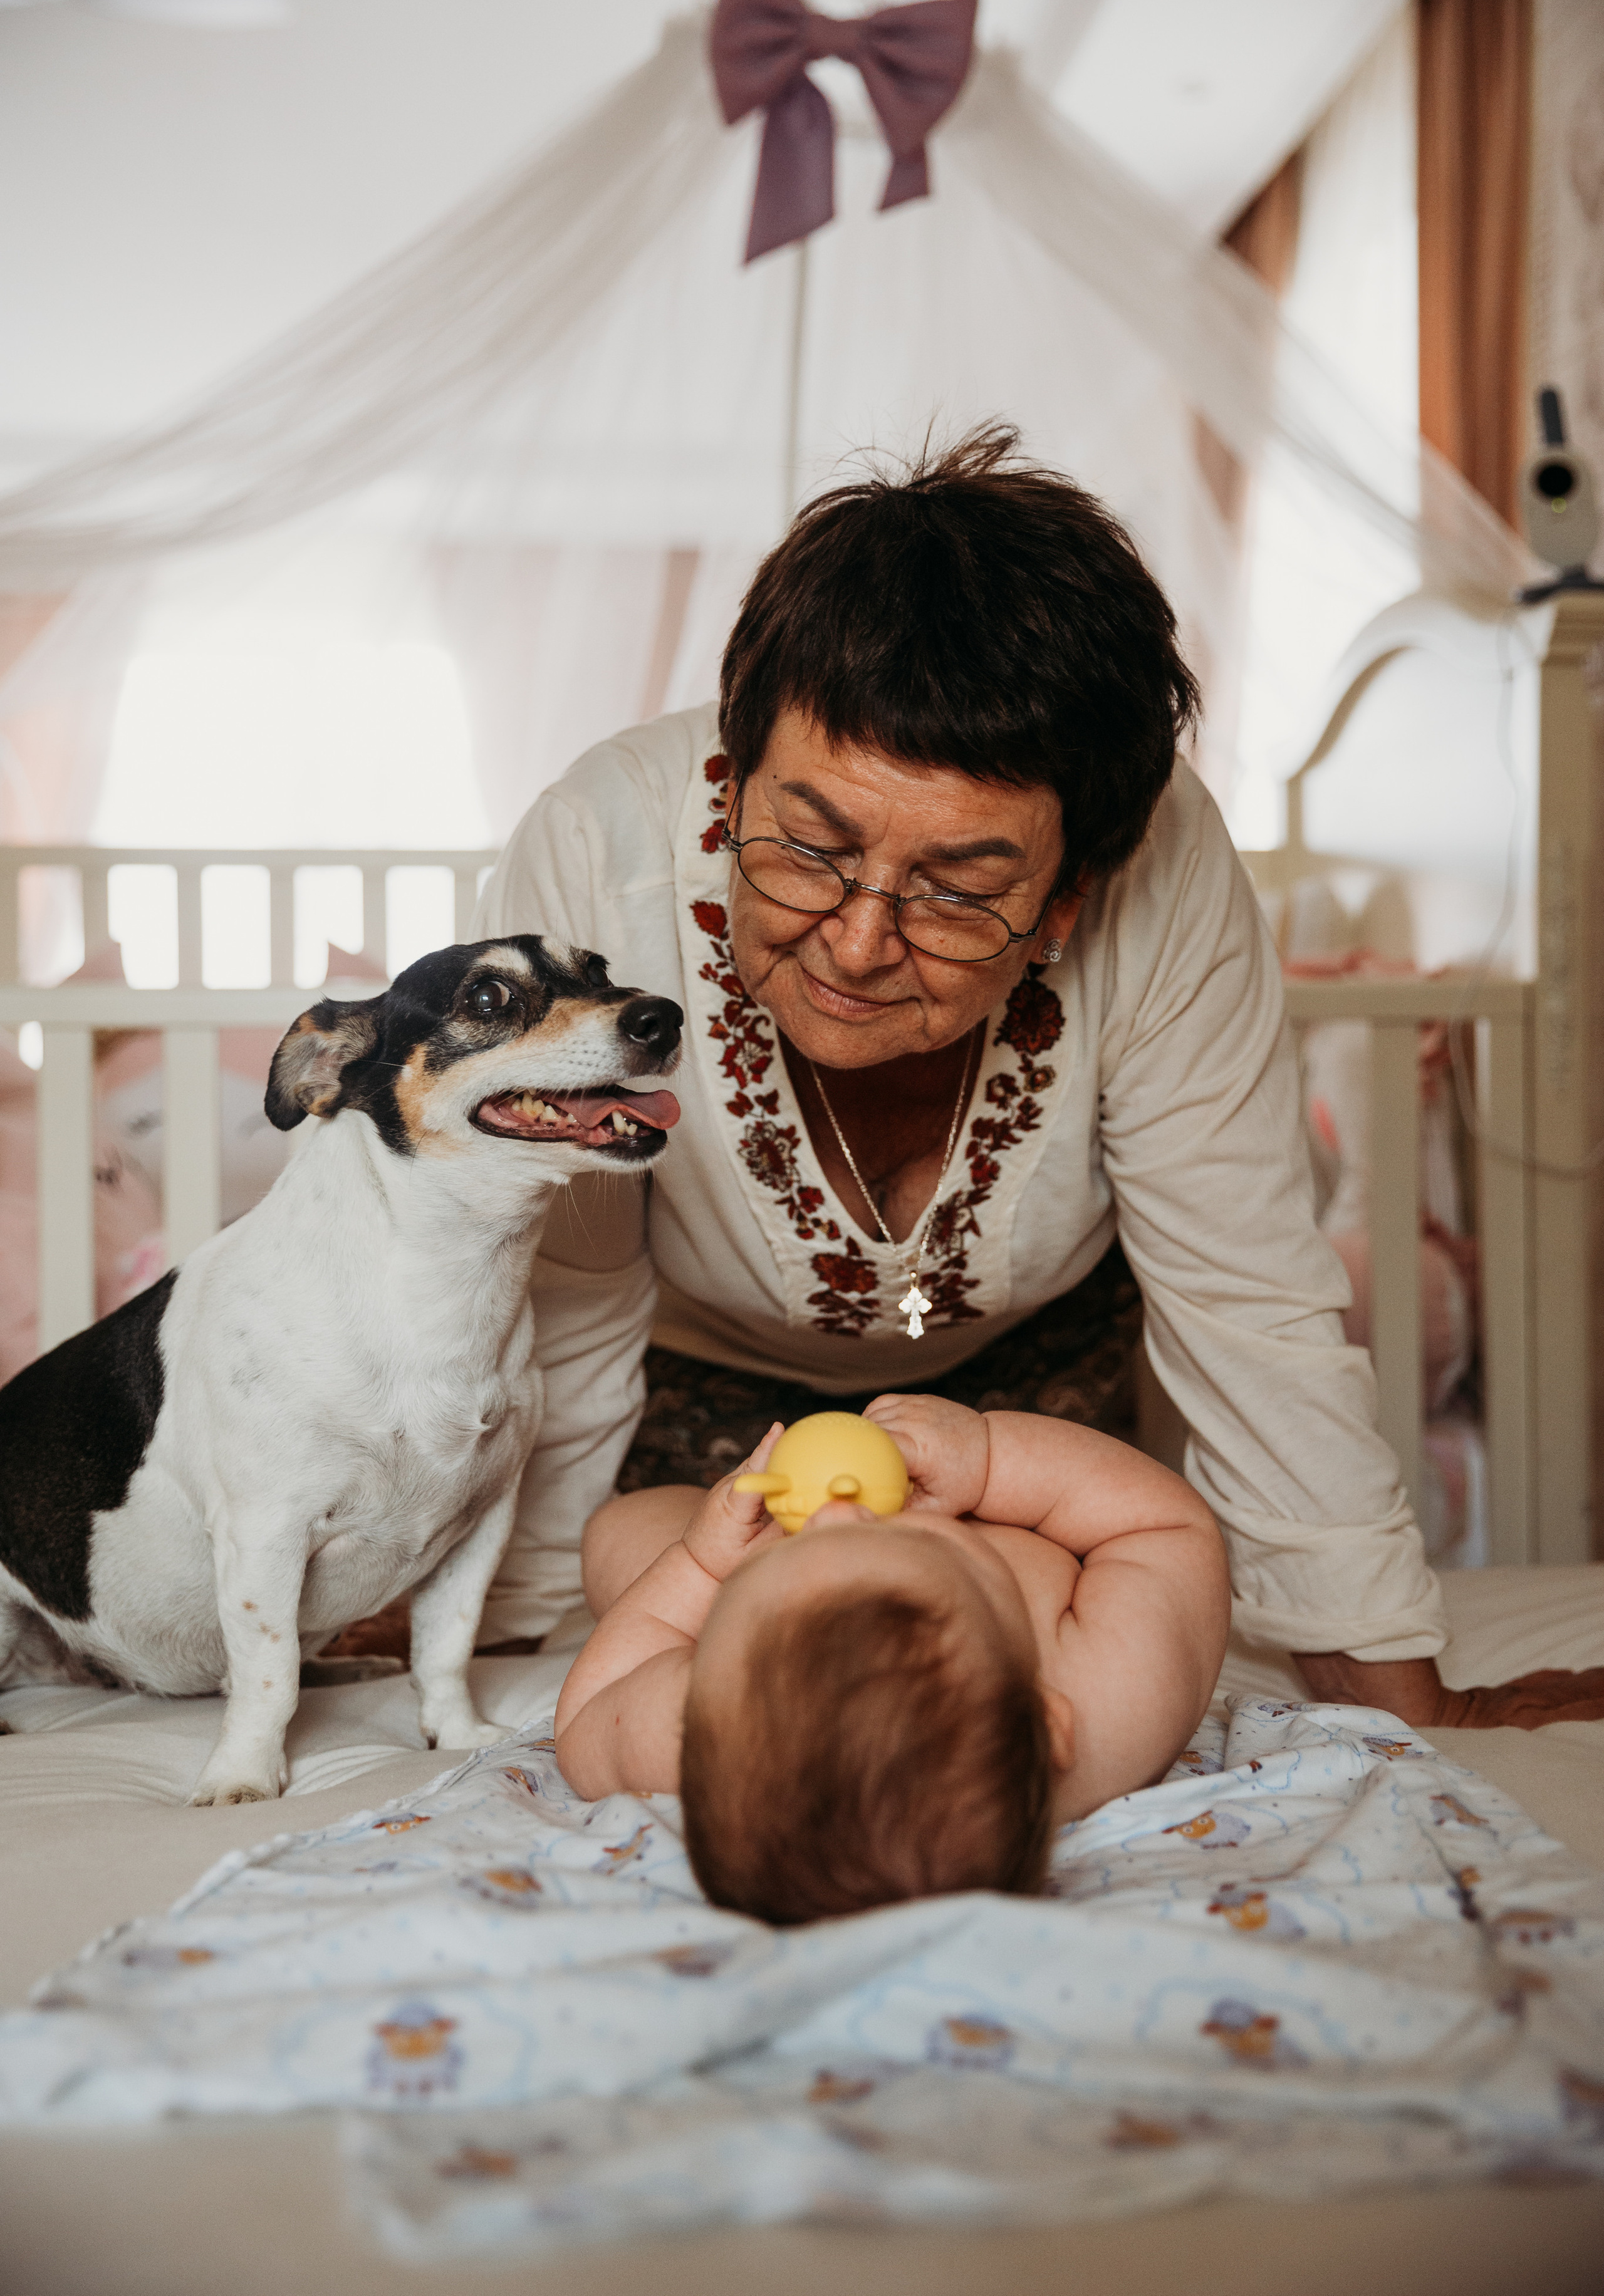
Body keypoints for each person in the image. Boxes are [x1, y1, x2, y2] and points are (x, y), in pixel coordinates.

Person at [471, 426, 1604, 1733]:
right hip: (686, 1396)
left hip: (1035, 1397)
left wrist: (1390, 1690)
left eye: (958, 892)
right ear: (729, 782)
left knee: (1016, 1652)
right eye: (806, 847)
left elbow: (1244, 1297)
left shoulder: (1166, 873)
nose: (854, 943)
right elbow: (566, 1283)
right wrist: (511, 1620)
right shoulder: (593, 857)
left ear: (1068, 896)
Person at [553, 1395, 1231, 1923]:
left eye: (802, 1550)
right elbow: (1166, 1529)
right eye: (923, 1548)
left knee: (620, 1529)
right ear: (1046, 1723)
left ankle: (721, 1549)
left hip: (728, 1557)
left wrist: (703, 1566)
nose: (838, 1513)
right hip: (982, 1479)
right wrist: (993, 1460)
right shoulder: (1111, 1704)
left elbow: (590, 1712)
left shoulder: (722, 1733)